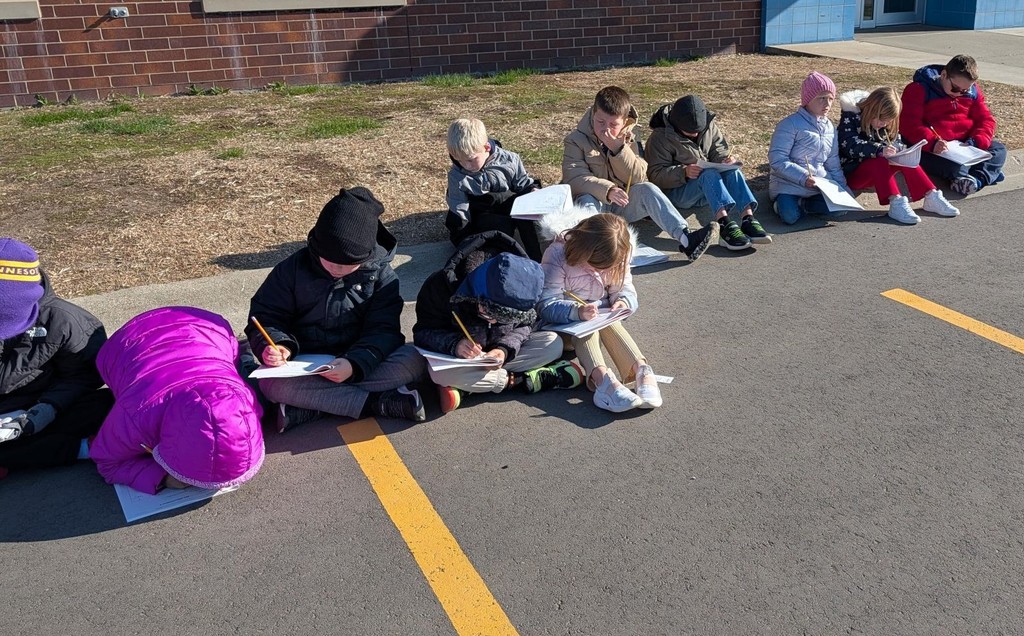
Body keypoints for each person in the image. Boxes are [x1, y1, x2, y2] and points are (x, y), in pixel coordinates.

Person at [246, 187, 427, 431]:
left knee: (414, 359)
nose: (336, 269)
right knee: (272, 384)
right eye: (330, 261)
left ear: (365, 256)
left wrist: (355, 364)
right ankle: (378, 404)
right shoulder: (292, 270)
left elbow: (383, 331)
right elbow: (267, 315)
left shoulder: (382, 276)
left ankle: (311, 406)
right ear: (317, 246)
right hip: (302, 364)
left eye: (346, 265)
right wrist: (278, 345)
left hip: (358, 361)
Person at [89, 307, 264, 494]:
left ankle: (243, 353)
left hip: (209, 329)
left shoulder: (241, 394)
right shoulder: (136, 414)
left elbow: (254, 415)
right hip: (125, 344)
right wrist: (162, 478)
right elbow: (107, 461)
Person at [413, 231, 582, 413]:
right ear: (477, 293)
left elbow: (525, 326)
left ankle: (468, 388)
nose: (493, 321)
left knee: (553, 343)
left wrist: (503, 350)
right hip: (460, 359)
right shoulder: (440, 286)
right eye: (488, 314)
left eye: (503, 319)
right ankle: (527, 379)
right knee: (438, 373)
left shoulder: (525, 285)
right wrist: (455, 344)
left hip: (496, 358)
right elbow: (422, 332)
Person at [562, 85, 717, 261]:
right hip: (593, 203)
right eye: (600, 122)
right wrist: (608, 190)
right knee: (587, 200)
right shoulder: (575, 140)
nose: (605, 129)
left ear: (624, 121)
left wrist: (618, 150)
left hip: (621, 203)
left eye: (613, 125)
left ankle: (686, 238)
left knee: (647, 189)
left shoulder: (630, 136)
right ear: (593, 114)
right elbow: (574, 178)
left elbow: (638, 176)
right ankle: (591, 252)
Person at [0, 237, 113, 479]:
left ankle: (82, 448)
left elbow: (84, 376)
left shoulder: (67, 322)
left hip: (39, 406)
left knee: (106, 405)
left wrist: (47, 408)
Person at [537, 213, 661, 413]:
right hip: (563, 327)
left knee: (610, 321)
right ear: (585, 251)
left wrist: (623, 301)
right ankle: (602, 380)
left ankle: (640, 370)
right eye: (598, 265)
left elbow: (624, 287)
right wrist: (577, 311)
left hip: (600, 319)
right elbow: (545, 304)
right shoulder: (557, 254)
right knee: (589, 327)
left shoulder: (619, 253)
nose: (605, 271)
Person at [647, 94, 771, 251]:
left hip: (709, 189)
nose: (696, 134)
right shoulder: (660, 137)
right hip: (679, 193)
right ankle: (725, 225)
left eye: (699, 130)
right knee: (709, 174)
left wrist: (724, 160)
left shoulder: (708, 124)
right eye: (690, 131)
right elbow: (655, 175)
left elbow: (718, 148)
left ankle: (748, 219)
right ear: (677, 125)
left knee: (733, 171)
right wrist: (683, 172)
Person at [839, 86, 960, 224]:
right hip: (853, 172)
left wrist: (899, 150)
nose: (883, 124)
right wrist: (879, 150)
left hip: (878, 173)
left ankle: (931, 195)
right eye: (880, 119)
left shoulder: (885, 124)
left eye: (887, 121)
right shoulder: (851, 117)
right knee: (879, 160)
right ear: (871, 109)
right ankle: (896, 201)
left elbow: (894, 139)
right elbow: (848, 144)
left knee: (906, 160)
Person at [899, 54, 1006, 196]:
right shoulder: (918, 89)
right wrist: (933, 142)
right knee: (953, 167)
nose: (960, 94)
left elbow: (986, 120)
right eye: (955, 88)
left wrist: (976, 141)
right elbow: (909, 124)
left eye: (965, 90)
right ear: (944, 75)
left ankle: (975, 179)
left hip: (965, 145)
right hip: (933, 148)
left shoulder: (973, 92)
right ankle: (983, 174)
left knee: (999, 150)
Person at [446, 118, 545, 261]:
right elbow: (460, 210)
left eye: (470, 159)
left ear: (486, 148)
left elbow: (522, 184)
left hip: (508, 204)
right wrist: (465, 243)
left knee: (530, 223)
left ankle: (538, 260)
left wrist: (532, 190)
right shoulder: (457, 175)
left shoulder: (509, 160)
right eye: (459, 160)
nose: (466, 165)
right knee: (498, 232)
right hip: (481, 211)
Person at [769, 72, 854, 225]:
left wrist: (843, 189)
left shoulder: (830, 128)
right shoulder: (790, 124)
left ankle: (805, 205)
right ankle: (783, 205)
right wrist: (802, 177)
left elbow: (832, 162)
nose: (827, 104)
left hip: (818, 185)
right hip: (789, 184)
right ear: (808, 99)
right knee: (790, 216)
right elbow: (778, 159)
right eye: (821, 98)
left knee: (841, 209)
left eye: (830, 99)